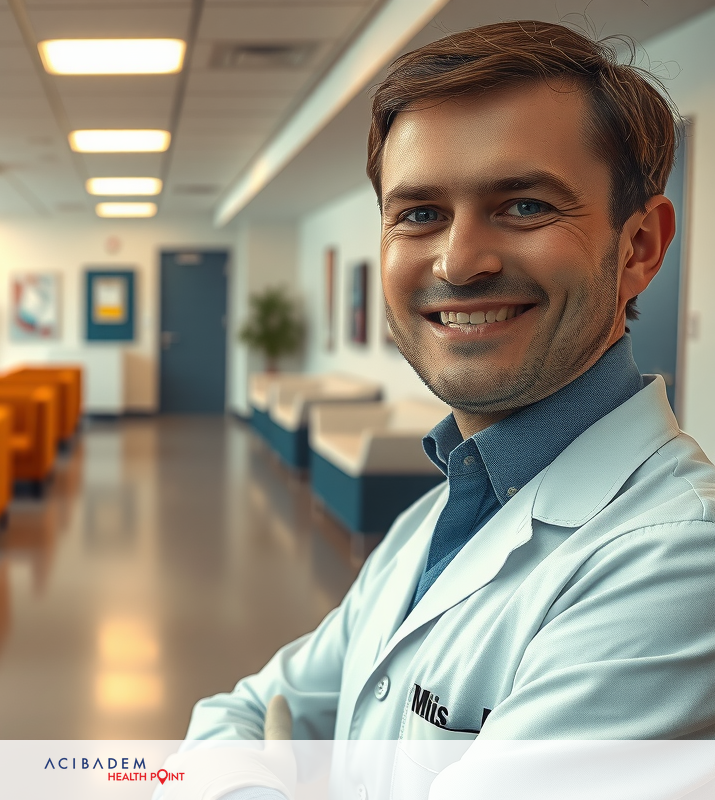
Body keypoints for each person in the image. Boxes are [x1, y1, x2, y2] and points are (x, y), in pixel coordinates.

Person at [176, 18, 715, 793]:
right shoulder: (436, 519)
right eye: (419, 213)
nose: (460, 263)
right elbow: (242, 710)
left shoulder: (679, 561)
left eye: (525, 206)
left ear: (639, 249)